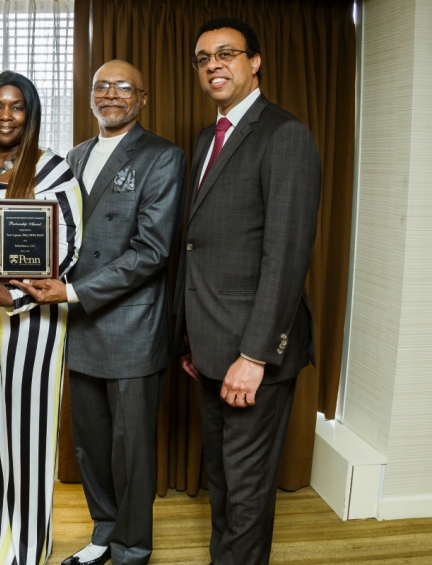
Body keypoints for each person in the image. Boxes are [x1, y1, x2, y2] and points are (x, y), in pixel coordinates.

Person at [13, 60, 186, 565]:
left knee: (130, 449)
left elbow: (151, 251)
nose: (111, 94)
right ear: (90, 95)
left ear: (142, 98)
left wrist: (68, 292)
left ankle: (133, 548)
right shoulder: (76, 154)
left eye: (123, 87)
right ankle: (104, 533)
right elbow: (63, 234)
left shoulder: (162, 156)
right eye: (101, 86)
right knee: (89, 444)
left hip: (129, 326)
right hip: (78, 326)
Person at [173, 18, 321, 565]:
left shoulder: (284, 135)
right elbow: (206, 247)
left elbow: (285, 258)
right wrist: (193, 337)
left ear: (254, 62)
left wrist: (254, 355)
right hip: (211, 346)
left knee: (247, 487)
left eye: (227, 53)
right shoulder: (210, 136)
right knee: (224, 480)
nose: (213, 63)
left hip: (251, 353)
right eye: (203, 56)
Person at [0, 70, 83, 565]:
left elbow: (71, 249)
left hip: (36, 319)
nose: (5, 116)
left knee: (29, 430)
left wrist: (22, 299)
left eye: (16, 107)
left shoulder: (53, 171)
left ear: (29, 114)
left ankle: (28, 546)